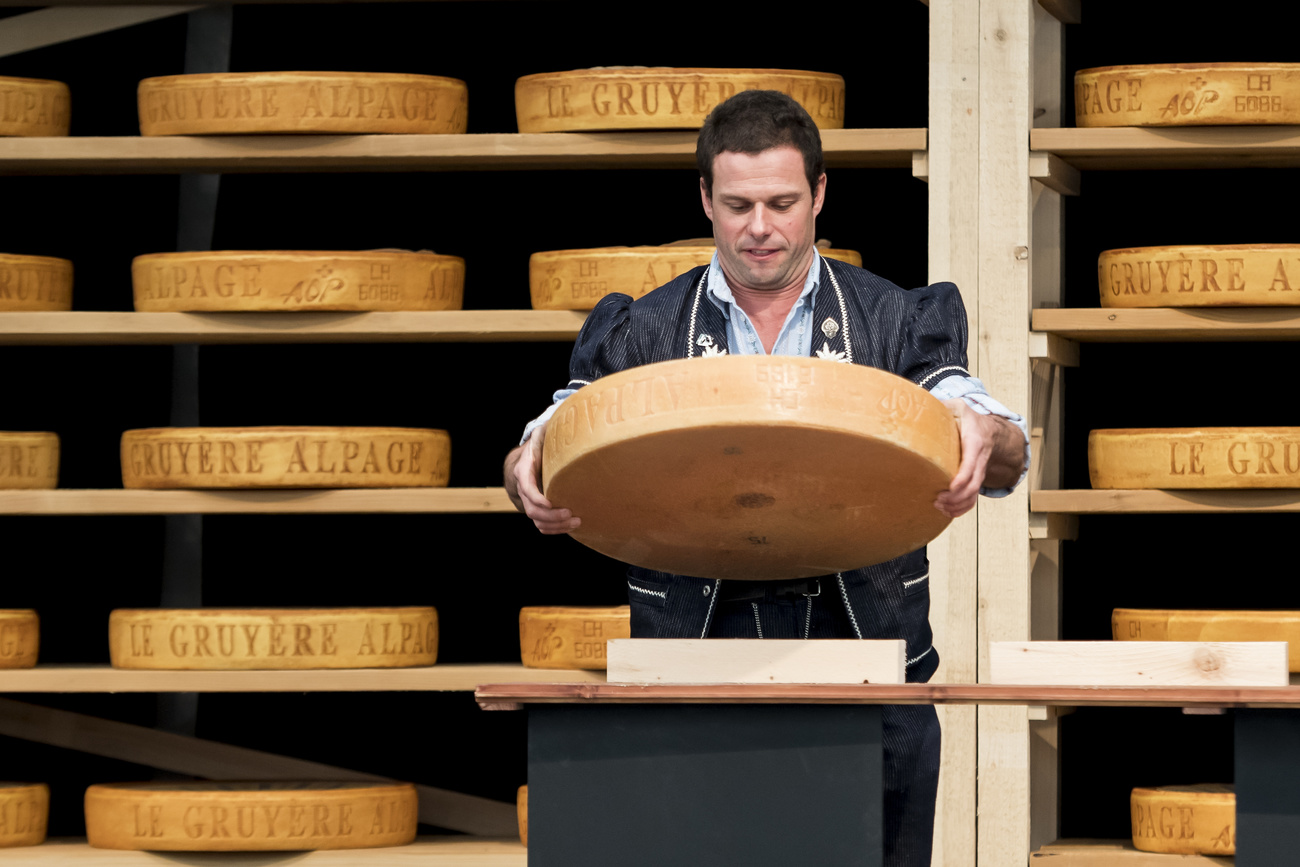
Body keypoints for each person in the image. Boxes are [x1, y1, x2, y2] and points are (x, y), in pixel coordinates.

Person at [504, 89, 1029, 867]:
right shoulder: (645, 327)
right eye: (739, 203)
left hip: (869, 668)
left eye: (782, 202)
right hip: (693, 671)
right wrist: (527, 461)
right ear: (705, 199)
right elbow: (573, 418)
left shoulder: (891, 317)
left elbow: (981, 420)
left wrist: (987, 432)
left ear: (819, 194)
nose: (759, 227)